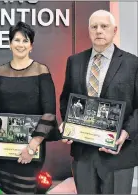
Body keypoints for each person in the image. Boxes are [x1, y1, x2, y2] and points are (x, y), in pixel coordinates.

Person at [59, 10, 138, 194]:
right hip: (83, 155)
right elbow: (66, 99)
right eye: (94, 27)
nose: (99, 31)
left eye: (104, 26)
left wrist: (126, 133)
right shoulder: (75, 61)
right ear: (89, 30)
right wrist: (68, 123)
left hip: (119, 154)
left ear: (114, 30)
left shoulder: (132, 63)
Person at [0, 21, 60, 194]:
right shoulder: (0, 72)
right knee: (9, 189)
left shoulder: (41, 71)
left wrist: (32, 146)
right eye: (17, 40)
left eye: (25, 40)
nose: (20, 44)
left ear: (31, 46)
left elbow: (49, 113)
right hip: (5, 148)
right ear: (9, 44)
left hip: (31, 147)